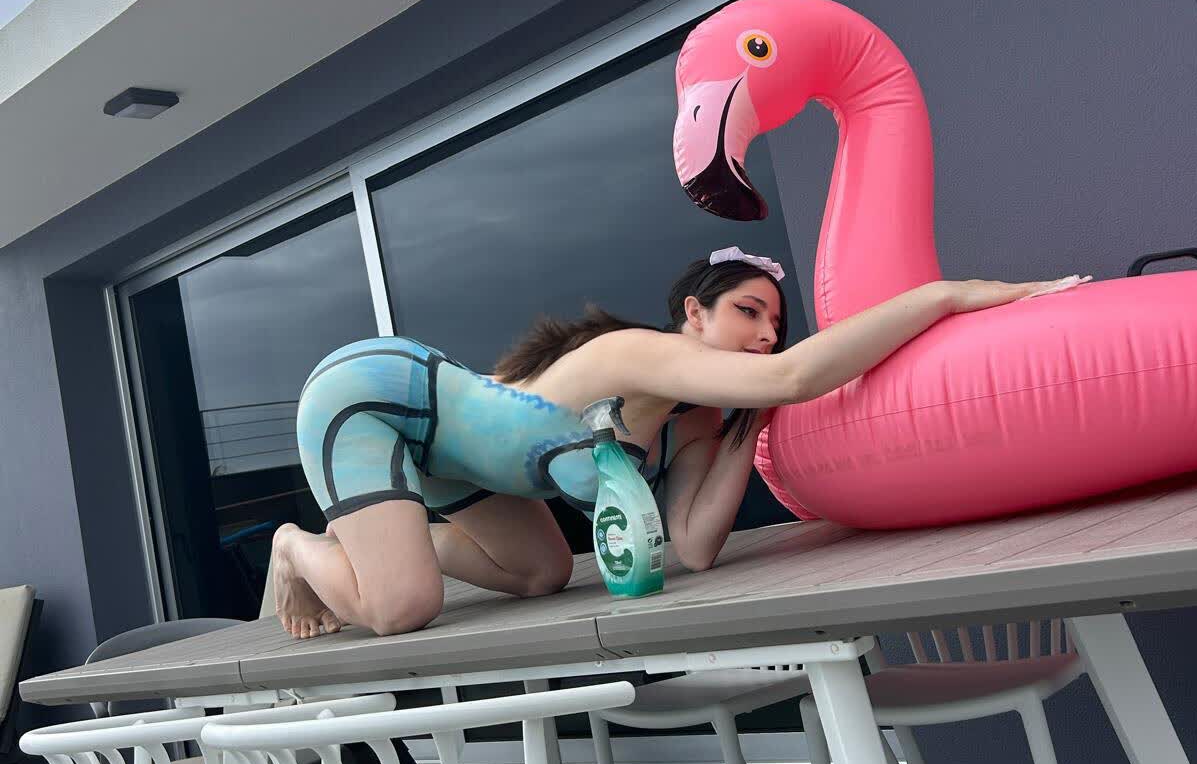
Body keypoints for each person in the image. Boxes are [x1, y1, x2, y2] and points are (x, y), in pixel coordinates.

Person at [271, 249, 1077, 639]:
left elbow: (691, 547)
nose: (766, 335)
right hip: (375, 395)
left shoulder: (691, 421)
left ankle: (397, 545)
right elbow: (796, 375)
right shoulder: (638, 354)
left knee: (544, 574)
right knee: (402, 610)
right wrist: (947, 296)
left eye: (775, 324)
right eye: (748, 313)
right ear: (694, 315)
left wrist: (749, 426)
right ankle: (298, 550)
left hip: (451, 462)